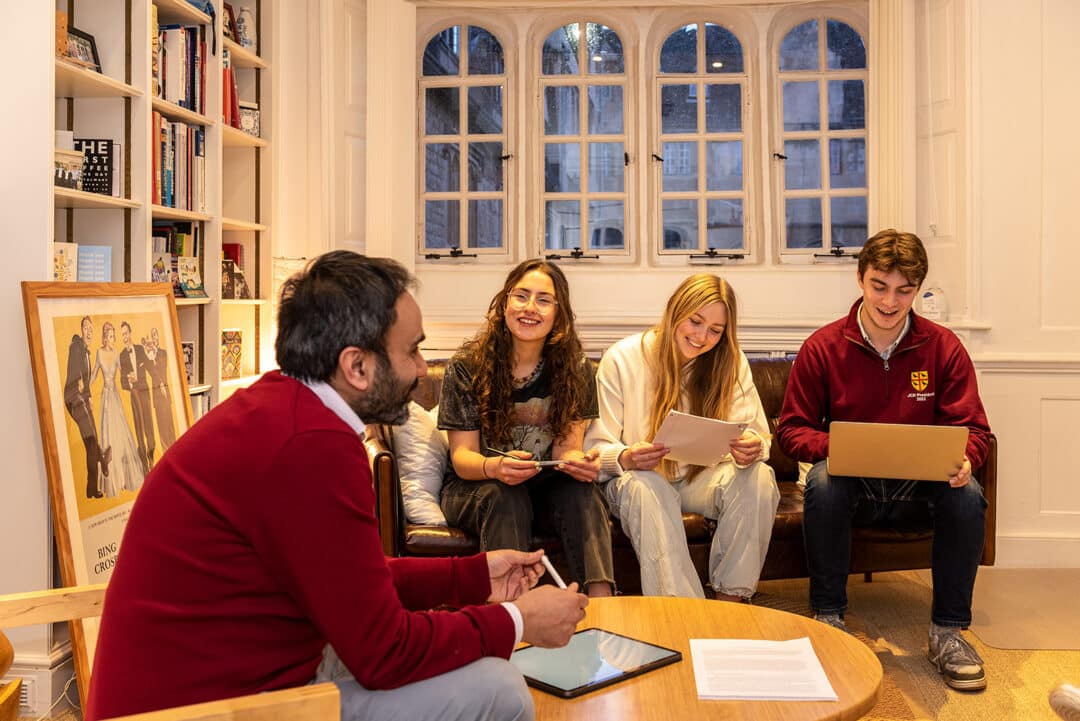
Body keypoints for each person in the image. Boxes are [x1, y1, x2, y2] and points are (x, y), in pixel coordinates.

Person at [85, 251, 589, 721]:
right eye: (412, 351)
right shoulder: (309, 446)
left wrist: (475, 576)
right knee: (499, 688)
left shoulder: (288, 413)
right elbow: (384, 652)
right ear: (357, 366)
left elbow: (350, 582)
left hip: (240, 680)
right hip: (205, 709)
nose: (419, 369)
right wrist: (518, 621)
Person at [776, 228, 992, 692]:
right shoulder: (823, 347)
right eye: (879, 286)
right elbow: (791, 430)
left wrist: (968, 459)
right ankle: (829, 617)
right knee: (823, 483)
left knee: (968, 495)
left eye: (904, 291)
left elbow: (976, 430)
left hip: (920, 488)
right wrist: (839, 447)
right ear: (859, 278)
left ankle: (947, 632)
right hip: (854, 488)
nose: (890, 301)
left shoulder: (943, 346)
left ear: (917, 290)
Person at [584, 274, 779, 601]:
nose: (702, 337)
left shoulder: (730, 361)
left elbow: (758, 435)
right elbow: (594, 450)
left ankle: (731, 602)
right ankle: (684, 611)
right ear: (676, 310)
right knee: (647, 486)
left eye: (716, 331)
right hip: (637, 482)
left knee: (759, 477)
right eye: (696, 321)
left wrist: (753, 448)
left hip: (697, 479)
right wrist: (627, 457)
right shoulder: (623, 358)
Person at [439, 259, 615, 597]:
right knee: (505, 493)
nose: (530, 308)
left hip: (542, 489)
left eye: (544, 300)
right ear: (505, 302)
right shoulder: (467, 365)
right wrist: (496, 467)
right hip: (476, 487)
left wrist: (580, 464)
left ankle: (602, 608)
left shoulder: (576, 369)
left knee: (583, 492)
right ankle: (509, 615)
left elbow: (566, 451)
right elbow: (463, 457)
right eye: (521, 296)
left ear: (558, 312)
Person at [90, 322, 146, 495]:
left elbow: (122, 372)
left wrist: (130, 376)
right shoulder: (99, 353)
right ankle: (112, 480)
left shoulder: (116, 354)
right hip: (105, 398)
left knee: (120, 433)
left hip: (114, 396)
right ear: (105, 337)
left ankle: (122, 479)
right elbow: (94, 374)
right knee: (107, 434)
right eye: (111, 336)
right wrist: (86, 389)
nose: (113, 339)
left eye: (114, 336)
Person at [63, 316, 109, 499]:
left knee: (91, 442)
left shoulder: (88, 352)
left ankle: (91, 489)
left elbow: (86, 382)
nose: (89, 331)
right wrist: (79, 383)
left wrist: (89, 397)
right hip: (73, 398)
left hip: (83, 396)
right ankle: (103, 459)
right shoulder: (76, 346)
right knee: (92, 437)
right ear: (81, 330)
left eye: (92, 328)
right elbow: (74, 372)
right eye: (86, 327)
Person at [118, 321, 155, 475]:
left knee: (150, 432)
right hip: (134, 396)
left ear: (130, 333)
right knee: (139, 432)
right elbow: (122, 382)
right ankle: (145, 468)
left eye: (126, 333)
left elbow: (151, 369)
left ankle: (152, 460)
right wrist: (128, 379)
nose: (125, 337)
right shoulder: (122, 355)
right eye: (122, 335)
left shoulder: (140, 350)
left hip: (145, 395)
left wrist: (151, 354)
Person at [144, 326, 176, 449]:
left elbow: (161, 369)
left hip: (166, 394)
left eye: (155, 335)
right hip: (157, 397)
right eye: (152, 336)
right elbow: (151, 371)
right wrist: (150, 358)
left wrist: (162, 383)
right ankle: (166, 451)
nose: (154, 338)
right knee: (161, 426)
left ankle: (174, 448)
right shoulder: (148, 358)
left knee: (170, 424)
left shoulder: (163, 353)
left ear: (158, 336)